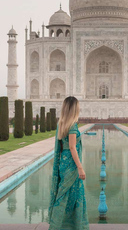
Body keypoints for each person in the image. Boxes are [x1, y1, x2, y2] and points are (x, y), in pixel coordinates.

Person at [48, 96, 89, 230]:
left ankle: (60, 225)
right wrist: (80, 167)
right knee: (74, 195)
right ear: (74, 109)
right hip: (71, 164)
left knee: (63, 195)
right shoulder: (72, 126)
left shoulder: (61, 124)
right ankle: (72, 225)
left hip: (63, 164)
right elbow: (72, 147)